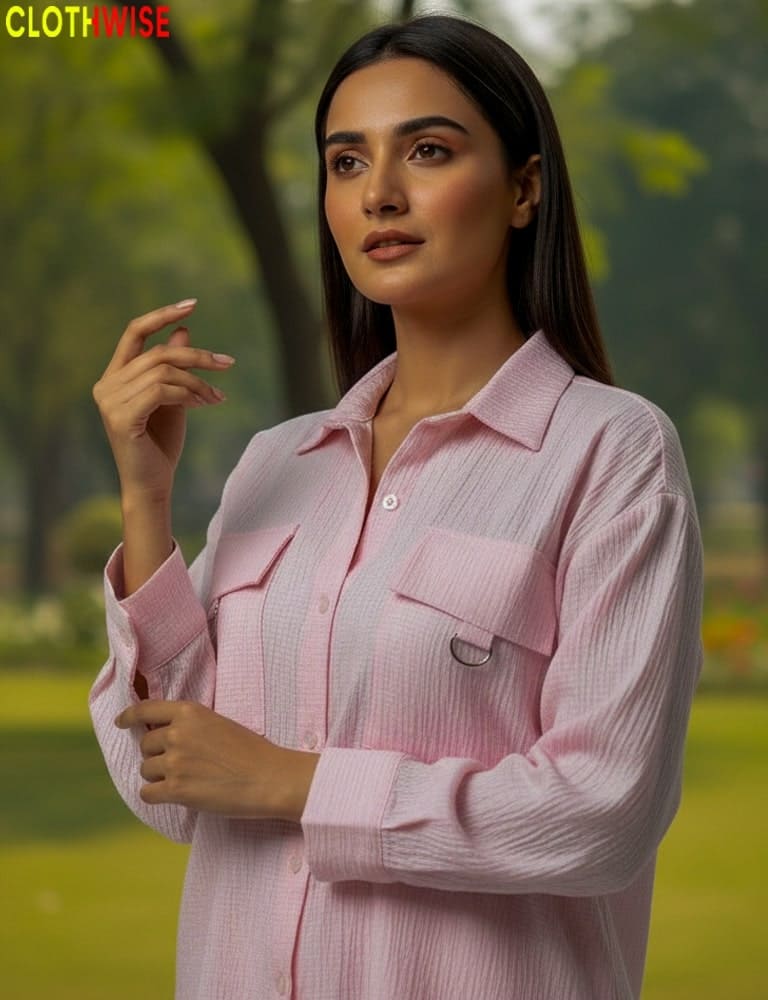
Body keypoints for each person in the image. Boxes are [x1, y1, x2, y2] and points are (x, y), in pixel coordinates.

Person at [89, 12, 704, 1000]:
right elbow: (169, 785)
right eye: (345, 161)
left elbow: (604, 812)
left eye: (426, 150)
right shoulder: (275, 462)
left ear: (523, 189)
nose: (379, 193)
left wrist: (296, 783)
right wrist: (145, 500)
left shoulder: (612, 453)